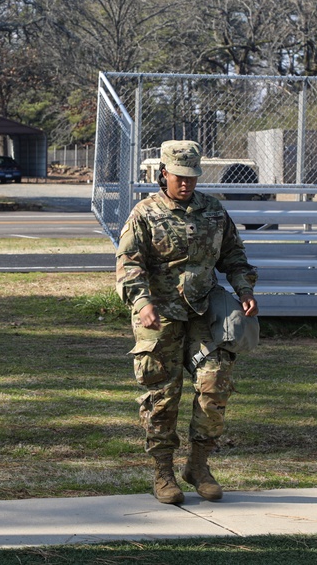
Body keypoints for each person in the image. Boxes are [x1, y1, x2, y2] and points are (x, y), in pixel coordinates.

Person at [115, 140, 258, 505]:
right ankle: (163, 472)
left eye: (192, 177)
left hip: (202, 312)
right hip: (159, 313)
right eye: (179, 177)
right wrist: (142, 301)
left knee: (215, 384)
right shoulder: (144, 213)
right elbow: (129, 264)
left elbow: (234, 256)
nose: (186, 184)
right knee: (162, 396)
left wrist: (243, 289)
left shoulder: (213, 211)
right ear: (164, 174)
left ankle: (198, 465)